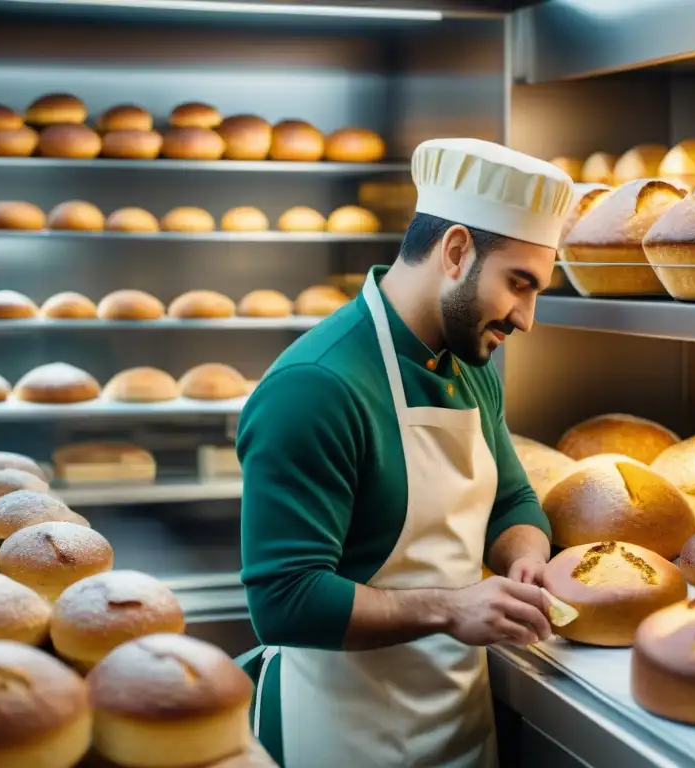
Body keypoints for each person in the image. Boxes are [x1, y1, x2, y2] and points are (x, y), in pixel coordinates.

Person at [235, 137, 575, 767]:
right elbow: (284, 600)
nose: (525, 318)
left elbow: (512, 498)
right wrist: (451, 608)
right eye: (518, 284)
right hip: (339, 727)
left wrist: (524, 557)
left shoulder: (467, 362)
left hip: (454, 718)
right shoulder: (316, 386)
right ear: (455, 251)